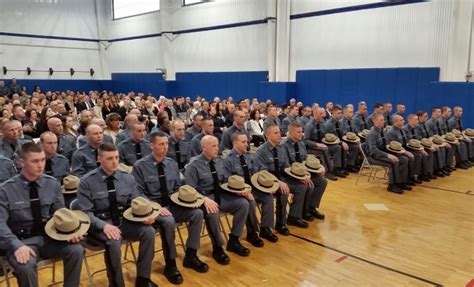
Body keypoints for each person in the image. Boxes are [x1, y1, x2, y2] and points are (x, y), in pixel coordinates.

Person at [0, 142, 84, 287]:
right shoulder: (6, 190)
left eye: (43, 160)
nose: (40, 165)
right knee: (25, 265)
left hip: (49, 238)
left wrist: (70, 232)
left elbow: (60, 214)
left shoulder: (52, 184)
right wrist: (16, 245)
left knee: (76, 249)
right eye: (35, 161)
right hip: (22, 242)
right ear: (21, 163)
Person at [77, 143, 158, 287]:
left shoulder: (127, 178)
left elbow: (136, 202)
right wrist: (104, 226)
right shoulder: (87, 182)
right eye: (109, 158)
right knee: (114, 241)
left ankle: (143, 278)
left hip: (122, 221)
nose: (114, 162)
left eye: (116, 157)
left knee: (149, 231)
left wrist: (145, 215)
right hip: (99, 225)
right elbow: (84, 213)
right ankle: (116, 283)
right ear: (99, 159)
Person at [132, 132, 208, 282]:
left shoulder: (171, 164)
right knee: (168, 221)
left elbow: (178, 187)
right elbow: (137, 193)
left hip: (172, 205)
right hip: (153, 209)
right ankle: (170, 264)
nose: (165, 147)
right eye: (161, 144)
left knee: (197, 213)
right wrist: (154, 207)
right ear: (152, 145)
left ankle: (191, 255)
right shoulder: (140, 166)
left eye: (166, 144)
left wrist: (189, 200)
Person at [185, 135, 250, 265]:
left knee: (243, 203)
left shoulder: (219, 161)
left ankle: (234, 240)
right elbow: (189, 189)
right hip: (204, 198)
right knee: (213, 213)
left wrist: (238, 190)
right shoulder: (194, 165)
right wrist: (204, 199)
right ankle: (218, 247)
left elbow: (225, 180)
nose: (217, 148)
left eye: (217, 145)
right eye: (213, 146)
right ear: (204, 147)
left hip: (220, 195)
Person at [223, 132, 277, 246]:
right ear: (234, 143)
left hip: (253, 188)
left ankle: (265, 228)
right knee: (250, 202)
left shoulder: (249, 156)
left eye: (247, 142)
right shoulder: (228, 160)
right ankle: (252, 233)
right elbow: (227, 182)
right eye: (243, 142)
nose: (246, 144)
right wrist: (242, 192)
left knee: (268, 197)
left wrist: (267, 186)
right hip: (237, 192)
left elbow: (257, 172)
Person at [254, 124, 309, 235]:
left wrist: (300, 177)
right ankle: (280, 224)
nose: (280, 135)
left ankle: (294, 216)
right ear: (267, 135)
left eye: (279, 132)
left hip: (281, 178)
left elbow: (286, 167)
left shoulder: (280, 149)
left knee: (301, 186)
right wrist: (278, 182)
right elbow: (263, 173)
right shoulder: (261, 151)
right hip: (267, 182)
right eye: (276, 133)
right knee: (284, 192)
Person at [281, 123, 327, 220]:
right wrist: (301, 178)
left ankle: (310, 207)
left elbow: (306, 160)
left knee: (322, 181)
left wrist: (318, 169)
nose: (302, 134)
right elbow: (286, 167)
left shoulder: (301, 143)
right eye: (299, 132)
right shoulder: (283, 146)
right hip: (289, 176)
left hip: (303, 174)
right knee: (307, 185)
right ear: (291, 133)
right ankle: (295, 216)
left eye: (302, 132)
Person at [366, 114, 410, 194]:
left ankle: (401, 182)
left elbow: (386, 144)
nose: (384, 121)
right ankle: (391, 185)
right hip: (374, 156)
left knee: (404, 159)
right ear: (374, 121)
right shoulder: (372, 133)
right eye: (381, 120)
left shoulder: (381, 131)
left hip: (383, 153)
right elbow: (373, 149)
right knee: (393, 162)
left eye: (383, 119)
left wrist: (396, 152)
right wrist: (388, 155)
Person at [304, 108, 344, 180]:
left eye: (323, 113)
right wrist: (316, 144)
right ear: (315, 114)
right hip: (311, 147)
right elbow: (305, 140)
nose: (323, 115)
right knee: (324, 149)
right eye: (321, 113)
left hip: (322, 143)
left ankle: (336, 169)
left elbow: (325, 135)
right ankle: (327, 172)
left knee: (337, 147)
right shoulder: (309, 125)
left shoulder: (322, 123)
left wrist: (331, 140)